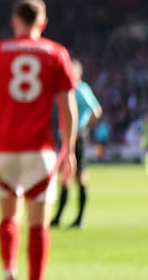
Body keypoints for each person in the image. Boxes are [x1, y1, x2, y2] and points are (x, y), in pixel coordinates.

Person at [0, 0, 78, 280]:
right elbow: (68, 105)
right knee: (38, 223)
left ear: (14, 21)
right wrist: (69, 148)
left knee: (7, 217)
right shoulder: (56, 53)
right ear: (43, 22)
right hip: (40, 150)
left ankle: (8, 270)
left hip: (5, 148)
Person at [50, 59, 102, 229]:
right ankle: (58, 217)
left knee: (79, 176)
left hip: (78, 138)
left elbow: (96, 111)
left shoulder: (81, 90)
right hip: (64, 136)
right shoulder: (65, 89)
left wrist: (82, 129)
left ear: (78, 73)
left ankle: (79, 218)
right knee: (64, 177)